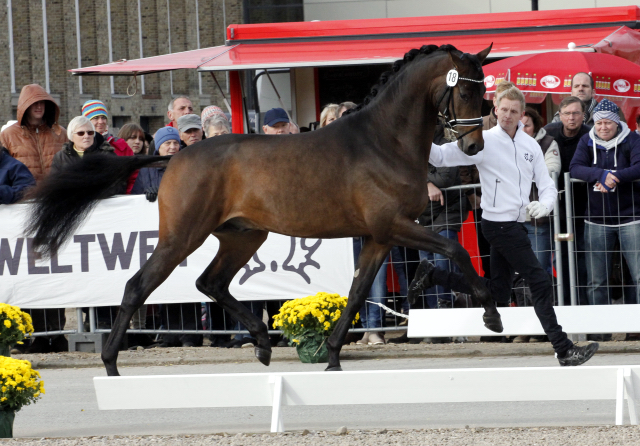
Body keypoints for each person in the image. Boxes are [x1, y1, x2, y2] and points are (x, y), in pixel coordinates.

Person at [411, 86, 599, 367]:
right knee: (538, 280)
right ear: (495, 110)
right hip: (498, 225)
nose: (508, 115)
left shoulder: (530, 145)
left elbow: (547, 185)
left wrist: (546, 205)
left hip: (516, 224)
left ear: (523, 114)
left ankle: (433, 275)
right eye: (504, 109)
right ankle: (563, 348)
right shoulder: (484, 141)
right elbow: (440, 157)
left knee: (499, 293)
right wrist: (420, 131)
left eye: (514, 111)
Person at [131, 127, 202, 348]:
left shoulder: (188, 167)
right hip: (158, 233)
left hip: (186, 232)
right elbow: (133, 198)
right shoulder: (147, 169)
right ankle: (170, 334)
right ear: (158, 147)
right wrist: (146, 195)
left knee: (186, 282)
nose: (172, 147)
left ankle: (191, 334)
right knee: (165, 281)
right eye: (167, 144)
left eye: (175, 144)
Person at [570, 99, 640, 314]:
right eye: (599, 123)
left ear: (617, 123)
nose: (603, 127)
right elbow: (575, 168)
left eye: (608, 123)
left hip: (632, 218)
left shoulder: (632, 139)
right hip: (597, 220)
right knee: (596, 281)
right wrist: (601, 174)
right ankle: (600, 330)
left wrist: (615, 177)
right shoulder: (586, 140)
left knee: (638, 276)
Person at [545, 96, 592, 306]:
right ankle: (564, 307)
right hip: (558, 212)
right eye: (567, 113)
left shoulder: (590, 134)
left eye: (576, 113)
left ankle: (584, 308)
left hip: (586, 210)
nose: (571, 118)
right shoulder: (549, 132)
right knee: (561, 259)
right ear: (560, 115)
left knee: (584, 260)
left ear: (583, 115)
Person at [2, 84, 67, 182]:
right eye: (34, 103)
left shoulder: (60, 132)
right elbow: (3, 171)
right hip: (24, 194)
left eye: (42, 102)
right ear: (25, 106)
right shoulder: (8, 135)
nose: (39, 106)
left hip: (55, 192)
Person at [551, 73, 625, 126]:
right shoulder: (561, 115)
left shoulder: (605, 113)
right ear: (571, 92)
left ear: (593, 92)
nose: (580, 89)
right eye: (576, 86)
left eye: (585, 86)